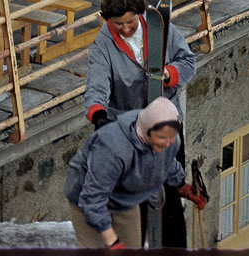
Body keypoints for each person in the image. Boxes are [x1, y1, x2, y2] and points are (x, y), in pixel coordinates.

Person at [84, 0, 198, 246]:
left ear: (139, 14)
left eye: (130, 22)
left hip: (165, 128)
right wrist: (99, 116)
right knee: (130, 207)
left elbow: (188, 61)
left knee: (168, 200)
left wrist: (169, 73)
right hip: (129, 134)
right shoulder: (104, 43)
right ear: (108, 20)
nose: (125, 29)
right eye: (118, 24)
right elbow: (96, 86)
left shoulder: (160, 29)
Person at [65, 98, 197, 249]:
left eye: (171, 137)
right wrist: (112, 241)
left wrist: (181, 185)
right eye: (161, 138)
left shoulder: (167, 138)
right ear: (147, 131)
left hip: (125, 192)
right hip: (85, 195)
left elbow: (166, 160)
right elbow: (92, 198)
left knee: (131, 246)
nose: (167, 143)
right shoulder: (114, 149)